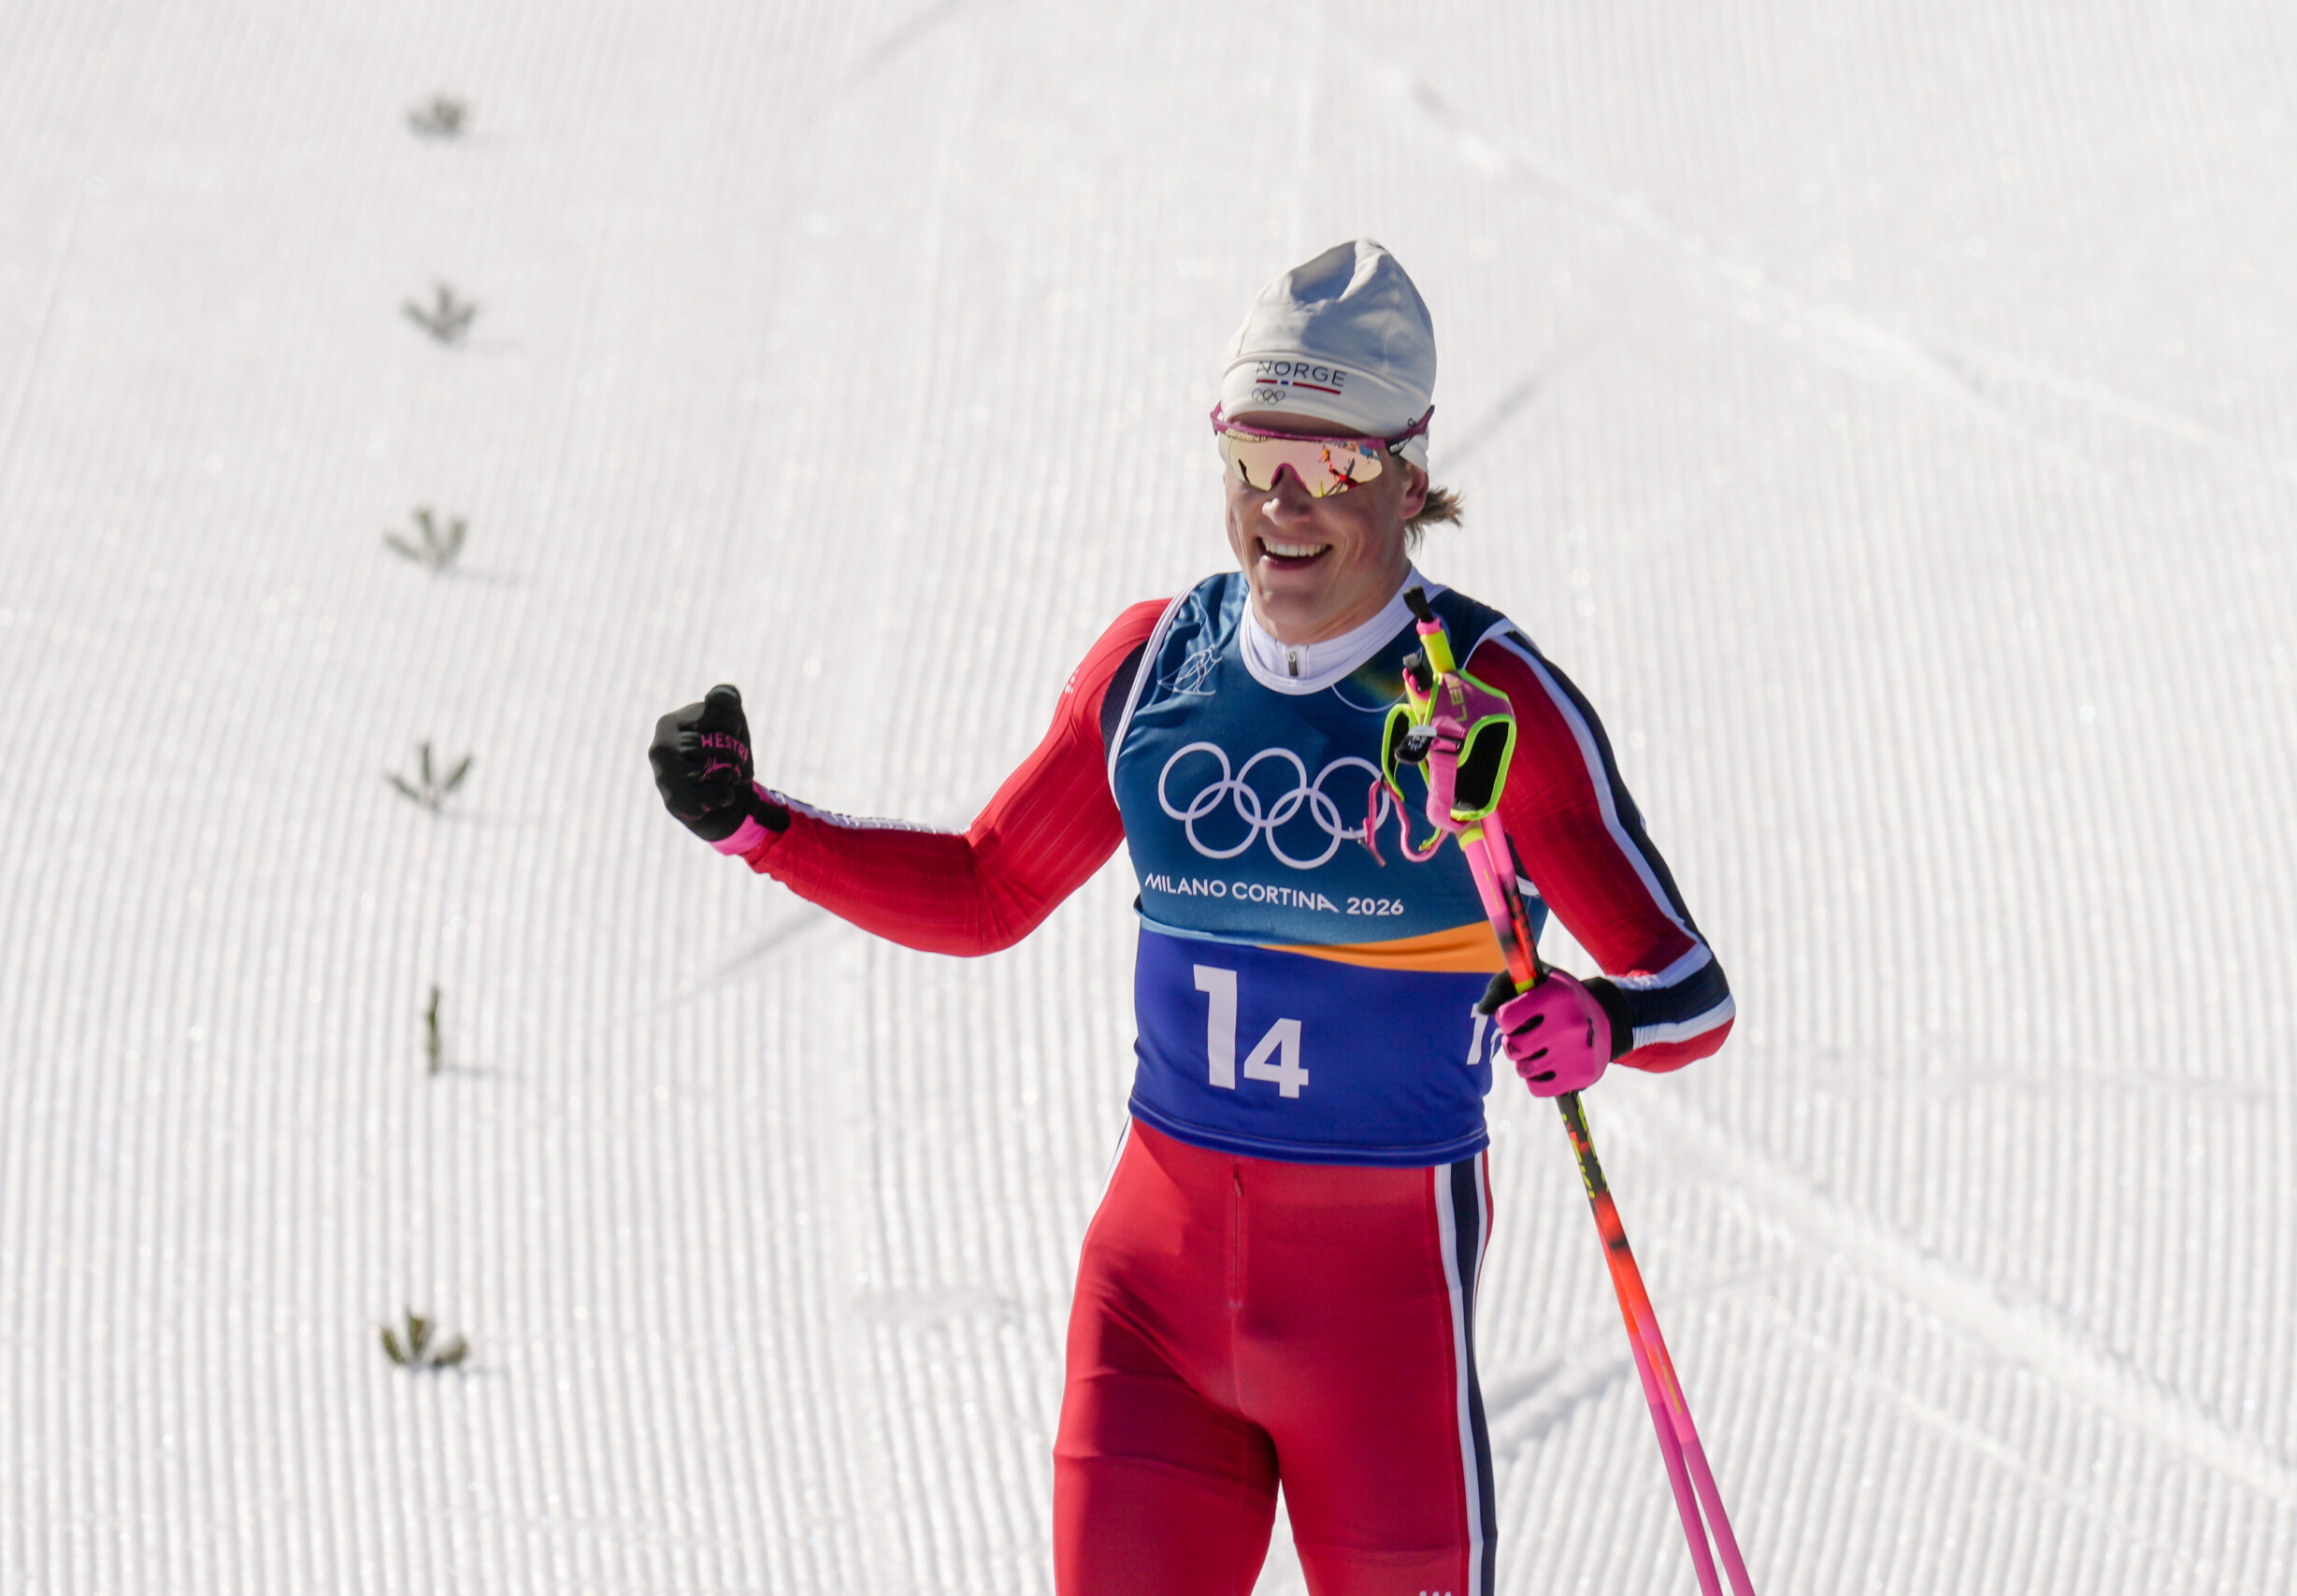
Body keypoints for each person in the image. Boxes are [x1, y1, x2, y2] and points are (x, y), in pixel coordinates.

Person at [649, 239, 1734, 1596]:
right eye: (1248, 454)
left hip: (1378, 1338)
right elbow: (989, 890)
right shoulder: (1157, 662)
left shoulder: (1492, 700)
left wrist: (1603, 1017)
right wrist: (759, 829)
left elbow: (1691, 989)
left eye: (1328, 465)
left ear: (1408, 465)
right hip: (1148, 1321)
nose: (1280, 502)